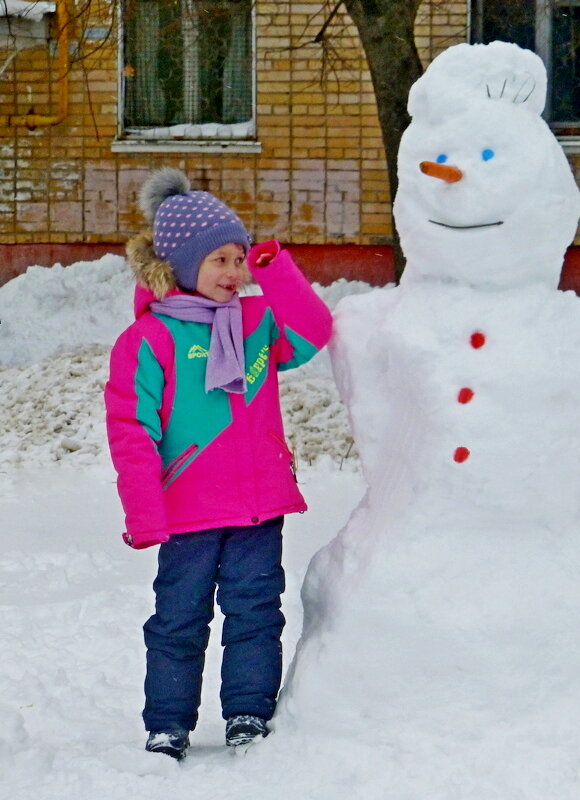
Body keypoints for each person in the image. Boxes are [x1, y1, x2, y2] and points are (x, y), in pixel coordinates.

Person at [104, 168, 333, 760]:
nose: (234, 273)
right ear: (181, 265)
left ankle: (248, 714)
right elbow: (132, 431)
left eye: (238, 259)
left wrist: (273, 265)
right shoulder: (148, 340)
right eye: (220, 261)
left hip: (258, 508)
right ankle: (169, 723)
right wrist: (145, 509)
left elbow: (313, 331)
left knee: (255, 613)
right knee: (178, 622)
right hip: (187, 511)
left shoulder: (255, 325)